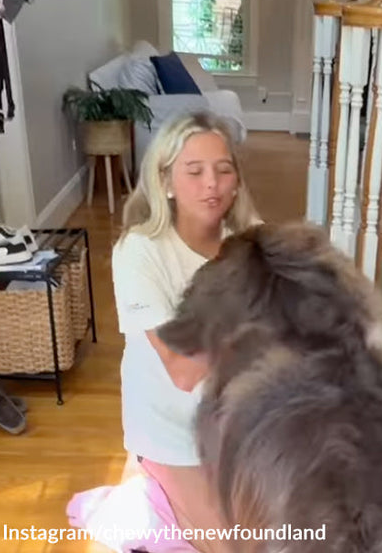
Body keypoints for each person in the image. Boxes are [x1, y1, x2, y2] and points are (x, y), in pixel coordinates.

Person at [111, 111, 260, 552]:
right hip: (168, 428)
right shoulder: (139, 251)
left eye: (223, 169)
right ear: (167, 182)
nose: (211, 183)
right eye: (194, 172)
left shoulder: (254, 241)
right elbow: (182, 370)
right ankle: (144, 498)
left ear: (236, 181)